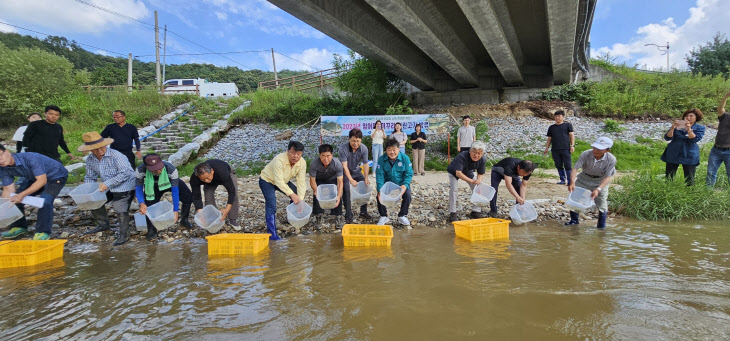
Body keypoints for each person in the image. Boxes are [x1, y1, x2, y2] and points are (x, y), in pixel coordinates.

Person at [79, 132, 136, 245]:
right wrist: (88, 190)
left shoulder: (116, 155)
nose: (99, 151)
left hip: (125, 185)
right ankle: (103, 224)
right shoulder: (90, 159)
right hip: (108, 186)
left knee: (119, 207)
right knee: (93, 200)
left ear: (105, 145)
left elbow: (125, 173)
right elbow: (90, 176)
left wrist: (108, 184)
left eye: (101, 147)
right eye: (95, 149)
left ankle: (124, 234)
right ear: (90, 150)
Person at [0, 145, 68, 240]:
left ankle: (43, 232)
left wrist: (22, 195)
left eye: (0, 156)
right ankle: (19, 226)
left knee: (45, 201)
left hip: (55, 176)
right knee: (13, 199)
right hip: (34, 178)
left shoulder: (31, 158)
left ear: (7, 151)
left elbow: (42, 181)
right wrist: (3, 208)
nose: (0, 161)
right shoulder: (2, 168)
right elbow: (8, 190)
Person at [135, 154, 193, 241]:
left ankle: (184, 220)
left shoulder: (171, 169)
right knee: (149, 206)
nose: (159, 170)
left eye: (160, 167)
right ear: (147, 168)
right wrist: (141, 203)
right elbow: (138, 187)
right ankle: (151, 231)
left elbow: (175, 191)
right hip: (152, 186)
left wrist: (175, 210)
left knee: (188, 196)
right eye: (155, 169)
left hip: (169, 182)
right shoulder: (140, 170)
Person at [260, 141, 307, 239]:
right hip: (267, 180)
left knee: (297, 194)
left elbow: (301, 181)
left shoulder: (302, 162)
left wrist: (300, 199)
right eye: (293, 153)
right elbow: (278, 182)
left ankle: (292, 218)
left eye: (298, 154)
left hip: (284, 181)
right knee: (271, 204)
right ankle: (272, 234)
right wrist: (291, 194)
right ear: (288, 151)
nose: (295, 156)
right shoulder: (279, 160)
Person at [566, 137, 617, 228]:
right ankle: (574, 221)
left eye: (599, 149)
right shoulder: (586, 154)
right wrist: (572, 182)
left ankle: (601, 227)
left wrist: (598, 189)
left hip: (600, 180)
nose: (595, 150)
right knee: (575, 198)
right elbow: (575, 169)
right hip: (584, 178)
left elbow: (608, 177)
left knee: (602, 204)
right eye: (594, 147)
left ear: (607, 150)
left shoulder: (611, 159)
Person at [191, 159, 241, 230]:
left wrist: (227, 209)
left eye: (207, 178)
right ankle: (214, 219)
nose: (206, 181)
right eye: (203, 180)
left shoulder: (222, 172)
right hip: (212, 176)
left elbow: (231, 191)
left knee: (234, 195)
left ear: (212, 171)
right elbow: (196, 196)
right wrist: (201, 214)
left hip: (227, 172)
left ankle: (233, 219)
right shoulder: (195, 178)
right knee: (208, 197)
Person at [661, 108, 705, 186]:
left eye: (691, 116)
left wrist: (689, 129)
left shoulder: (700, 128)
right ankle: (667, 191)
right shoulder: (679, 126)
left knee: (689, 178)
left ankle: (689, 193)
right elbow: (668, 137)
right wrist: (672, 128)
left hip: (689, 152)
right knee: (669, 176)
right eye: (686, 116)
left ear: (696, 117)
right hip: (674, 151)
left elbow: (694, 139)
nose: (688, 118)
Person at [376, 138, 414, 227]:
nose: (392, 152)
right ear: (386, 150)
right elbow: (379, 176)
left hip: (401, 184)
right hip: (388, 185)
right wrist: (380, 190)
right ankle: (383, 216)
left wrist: (405, 185)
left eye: (394, 149)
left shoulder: (405, 158)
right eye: (389, 150)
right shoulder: (382, 159)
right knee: (378, 195)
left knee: (408, 195)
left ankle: (402, 215)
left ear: (398, 149)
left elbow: (409, 174)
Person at [446, 141, 487, 222]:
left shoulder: (482, 160)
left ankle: (476, 211)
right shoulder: (462, 156)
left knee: (478, 188)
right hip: (454, 171)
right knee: (454, 189)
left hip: (468, 171)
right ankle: (452, 212)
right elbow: (458, 173)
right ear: (470, 151)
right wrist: (471, 181)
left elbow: (481, 173)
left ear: (482, 153)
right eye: (474, 152)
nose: (476, 155)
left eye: (479, 153)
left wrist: (478, 181)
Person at [339, 128, 373, 223]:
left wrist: (366, 177)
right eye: (353, 141)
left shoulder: (364, 148)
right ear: (349, 139)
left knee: (365, 187)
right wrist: (350, 179)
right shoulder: (343, 148)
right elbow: (344, 166)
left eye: (358, 141)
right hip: (344, 172)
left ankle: (363, 211)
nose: (355, 143)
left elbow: (365, 164)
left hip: (356, 171)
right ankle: (348, 213)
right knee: (346, 189)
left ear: (361, 140)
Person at [309, 144, 344, 227]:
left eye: (328, 156)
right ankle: (318, 215)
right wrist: (316, 191)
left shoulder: (337, 163)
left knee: (337, 193)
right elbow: (312, 180)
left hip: (332, 179)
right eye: (323, 156)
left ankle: (338, 215)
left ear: (332, 155)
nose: (326, 159)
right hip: (319, 180)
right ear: (319, 155)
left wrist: (339, 195)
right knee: (317, 194)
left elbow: (340, 182)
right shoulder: (314, 163)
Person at [543, 110, 575, 185]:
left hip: (565, 148)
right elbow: (549, 139)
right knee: (558, 165)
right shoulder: (551, 127)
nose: (557, 118)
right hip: (555, 149)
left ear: (563, 117)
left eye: (559, 116)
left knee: (568, 165)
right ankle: (562, 180)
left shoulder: (568, 125)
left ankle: (570, 181)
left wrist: (572, 145)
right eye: (556, 116)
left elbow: (571, 136)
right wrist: (547, 148)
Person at [707, 91, 730, 187]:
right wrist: (726, 96)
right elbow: (720, 109)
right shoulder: (725, 117)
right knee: (710, 173)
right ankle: (708, 193)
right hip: (716, 149)